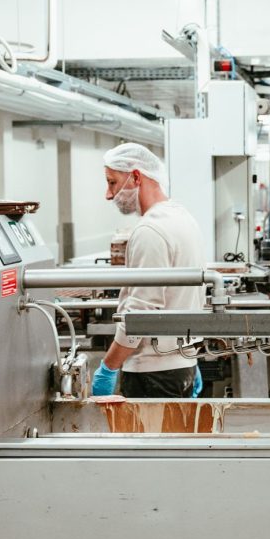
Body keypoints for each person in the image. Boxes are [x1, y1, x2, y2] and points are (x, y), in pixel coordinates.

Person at [89, 143, 205, 398]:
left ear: (137, 177)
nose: (109, 195)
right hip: (180, 363)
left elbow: (140, 316)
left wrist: (108, 367)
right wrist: (189, 358)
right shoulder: (183, 218)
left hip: (153, 373)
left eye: (112, 182)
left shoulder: (150, 231)